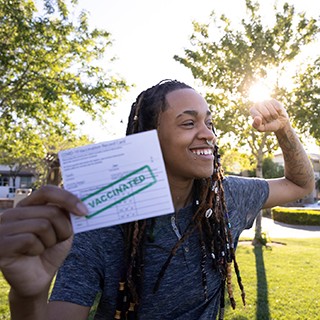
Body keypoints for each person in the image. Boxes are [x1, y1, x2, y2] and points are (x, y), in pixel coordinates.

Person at [0, 79, 315, 320]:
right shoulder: (101, 223)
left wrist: (284, 130)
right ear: (148, 139)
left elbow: (301, 184)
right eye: (189, 123)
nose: (208, 134)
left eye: (209, 122)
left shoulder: (225, 196)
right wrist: (27, 296)